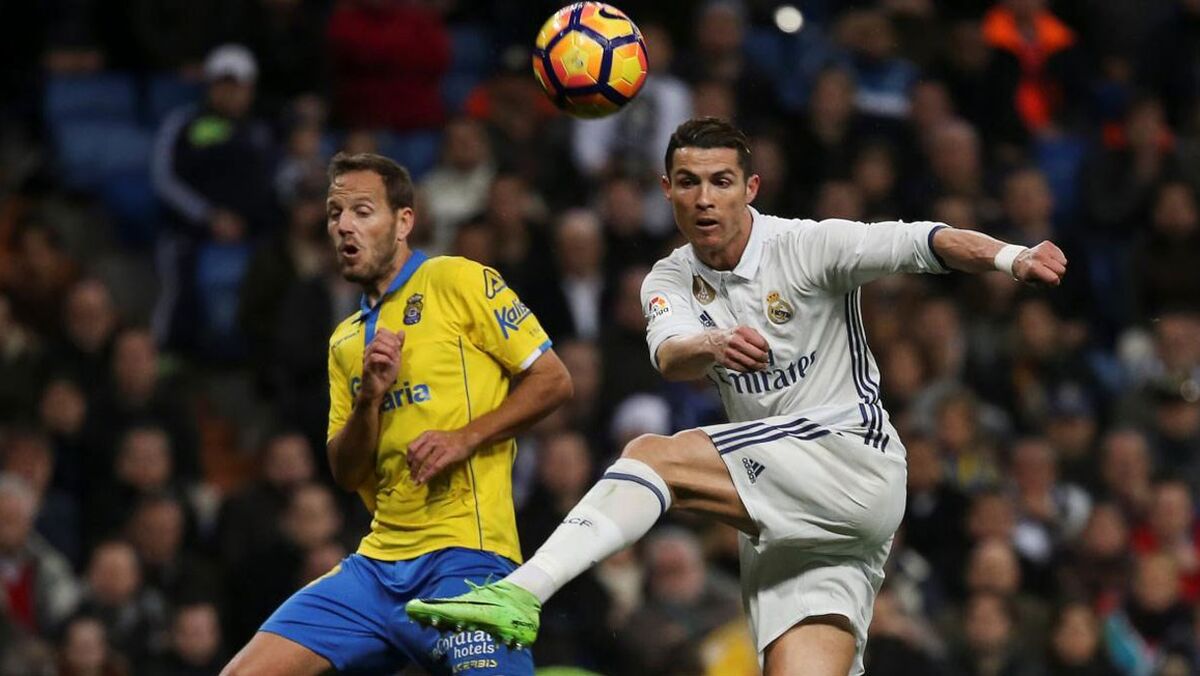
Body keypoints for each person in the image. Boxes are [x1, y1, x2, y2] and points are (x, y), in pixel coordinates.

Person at [408, 117, 1067, 676]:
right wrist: (713, 344)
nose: (704, 199)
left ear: (750, 188)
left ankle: (520, 593)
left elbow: (924, 241)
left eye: (721, 181)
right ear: (666, 190)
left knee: (651, 455)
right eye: (688, 182)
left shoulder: (808, 247)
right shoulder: (667, 278)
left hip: (850, 461)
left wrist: (1011, 257)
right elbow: (670, 354)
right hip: (790, 522)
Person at [221, 152, 573, 676]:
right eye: (335, 213)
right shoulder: (345, 341)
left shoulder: (456, 279)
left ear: (404, 221)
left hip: (466, 560)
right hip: (376, 568)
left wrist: (463, 437)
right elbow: (346, 473)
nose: (343, 225)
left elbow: (553, 380)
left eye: (362, 211)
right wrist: (369, 399)